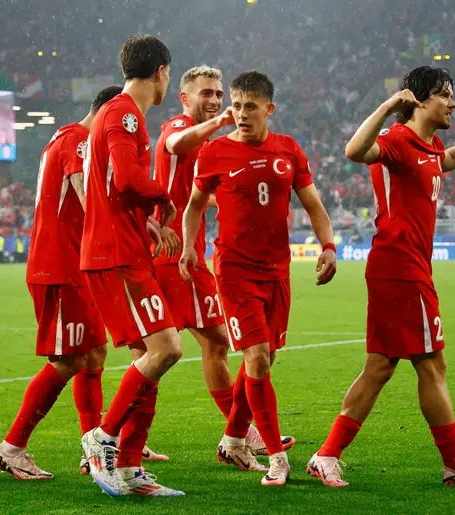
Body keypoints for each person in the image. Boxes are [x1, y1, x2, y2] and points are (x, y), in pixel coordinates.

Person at [306, 66, 455, 487]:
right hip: (399, 269)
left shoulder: (430, 145)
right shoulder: (397, 140)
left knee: (380, 367)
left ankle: (326, 455)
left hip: (408, 268)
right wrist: (388, 107)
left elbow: (451, 158)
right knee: (431, 363)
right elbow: (354, 151)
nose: (453, 103)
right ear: (419, 100)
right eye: (445, 95)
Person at [180, 70, 337, 486]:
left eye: (251, 106)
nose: (242, 114)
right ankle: (275, 458)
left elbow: (314, 207)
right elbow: (194, 205)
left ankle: (232, 438)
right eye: (236, 106)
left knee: (265, 361)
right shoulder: (213, 152)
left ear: (269, 108)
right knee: (257, 357)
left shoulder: (288, 149)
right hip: (233, 270)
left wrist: (328, 247)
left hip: (277, 272)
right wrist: (189, 246)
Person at [152, 65, 294, 462]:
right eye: (206, 94)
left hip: (182, 252)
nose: (214, 101)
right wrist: (218, 122)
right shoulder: (178, 126)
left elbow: (197, 192)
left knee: (194, 347)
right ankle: (239, 435)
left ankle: (121, 434)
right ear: (185, 97)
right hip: (173, 255)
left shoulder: (213, 146)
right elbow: (176, 144)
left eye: (218, 94)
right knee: (210, 344)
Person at [0, 85, 122, 480]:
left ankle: (91, 447)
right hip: (59, 266)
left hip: (76, 266)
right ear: (104, 113)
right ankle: (12, 448)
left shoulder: (67, 138)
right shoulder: (79, 141)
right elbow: (88, 198)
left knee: (95, 352)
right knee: (69, 359)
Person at [79, 34, 184, 498]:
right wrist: (163, 194)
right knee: (166, 350)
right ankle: (102, 437)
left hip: (124, 247)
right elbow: (125, 178)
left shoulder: (117, 114)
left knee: (151, 355)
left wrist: (146, 224)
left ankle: (128, 468)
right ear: (161, 71)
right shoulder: (123, 112)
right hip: (115, 257)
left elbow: (113, 191)